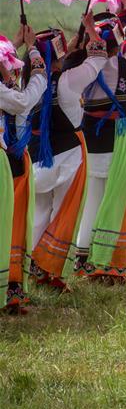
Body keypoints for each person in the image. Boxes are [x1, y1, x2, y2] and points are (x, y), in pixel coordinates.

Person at [29, 22, 107, 290]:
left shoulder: (29, 80)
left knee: (39, 212)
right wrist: (90, 29)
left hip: (36, 154)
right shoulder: (68, 81)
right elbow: (98, 57)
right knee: (63, 213)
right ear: (58, 53)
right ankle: (50, 270)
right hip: (68, 155)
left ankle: (31, 266)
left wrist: (32, 46)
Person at [74, 2, 126, 280]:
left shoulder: (85, 65)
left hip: (91, 133)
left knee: (93, 195)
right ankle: (105, 258)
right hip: (121, 133)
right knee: (115, 198)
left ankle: (82, 255)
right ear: (118, 40)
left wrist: (88, 30)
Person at [1, 27, 47, 311]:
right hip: (7, 163)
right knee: (9, 224)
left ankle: (12, 287)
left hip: (11, 161)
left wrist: (17, 44)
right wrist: (36, 59)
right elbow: (23, 102)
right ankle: (10, 288)